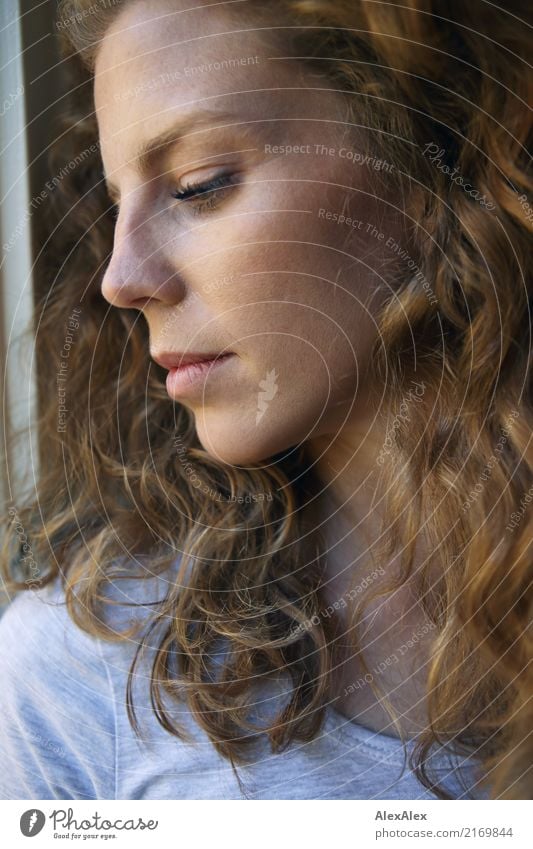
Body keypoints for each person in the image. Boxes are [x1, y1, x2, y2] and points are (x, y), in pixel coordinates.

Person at [1, 0, 531, 800]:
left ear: (427, 161)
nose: (121, 278)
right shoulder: (83, 678)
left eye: (197, 185)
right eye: (117, 205)